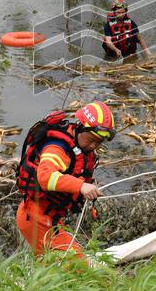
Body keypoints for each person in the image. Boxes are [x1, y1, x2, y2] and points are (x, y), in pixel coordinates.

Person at [15, 101, 115, 260]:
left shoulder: (81, 147)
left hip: (50, 218)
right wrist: (81, 186)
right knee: (80, 268)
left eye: (99, 142)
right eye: (91, 139)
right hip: (36, 219)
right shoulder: (57, 148)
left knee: (51, 265)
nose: (93, 146)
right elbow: (45, 177)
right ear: (80, 128)